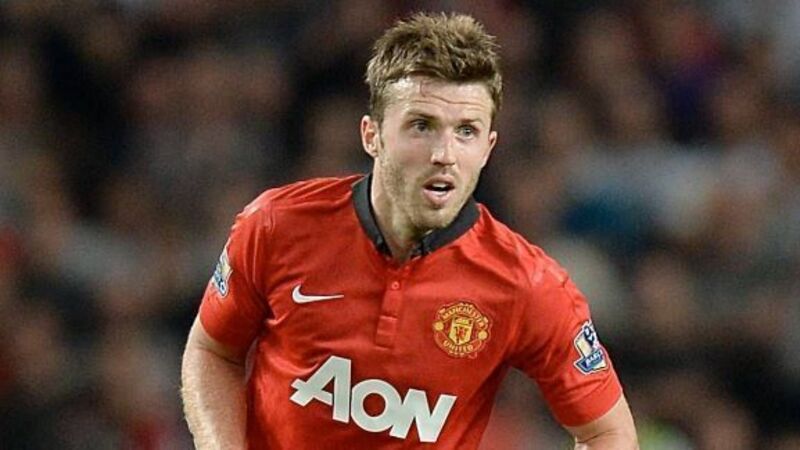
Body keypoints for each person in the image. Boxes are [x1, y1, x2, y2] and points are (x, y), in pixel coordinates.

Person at [181, 12, 638, 449]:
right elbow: (213, 351)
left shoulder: (528, 284)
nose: (445, 154)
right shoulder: (277, 225)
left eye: (466, 131)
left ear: (488, 148)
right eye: (422, 125)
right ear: (372, 135)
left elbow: (608, 433)